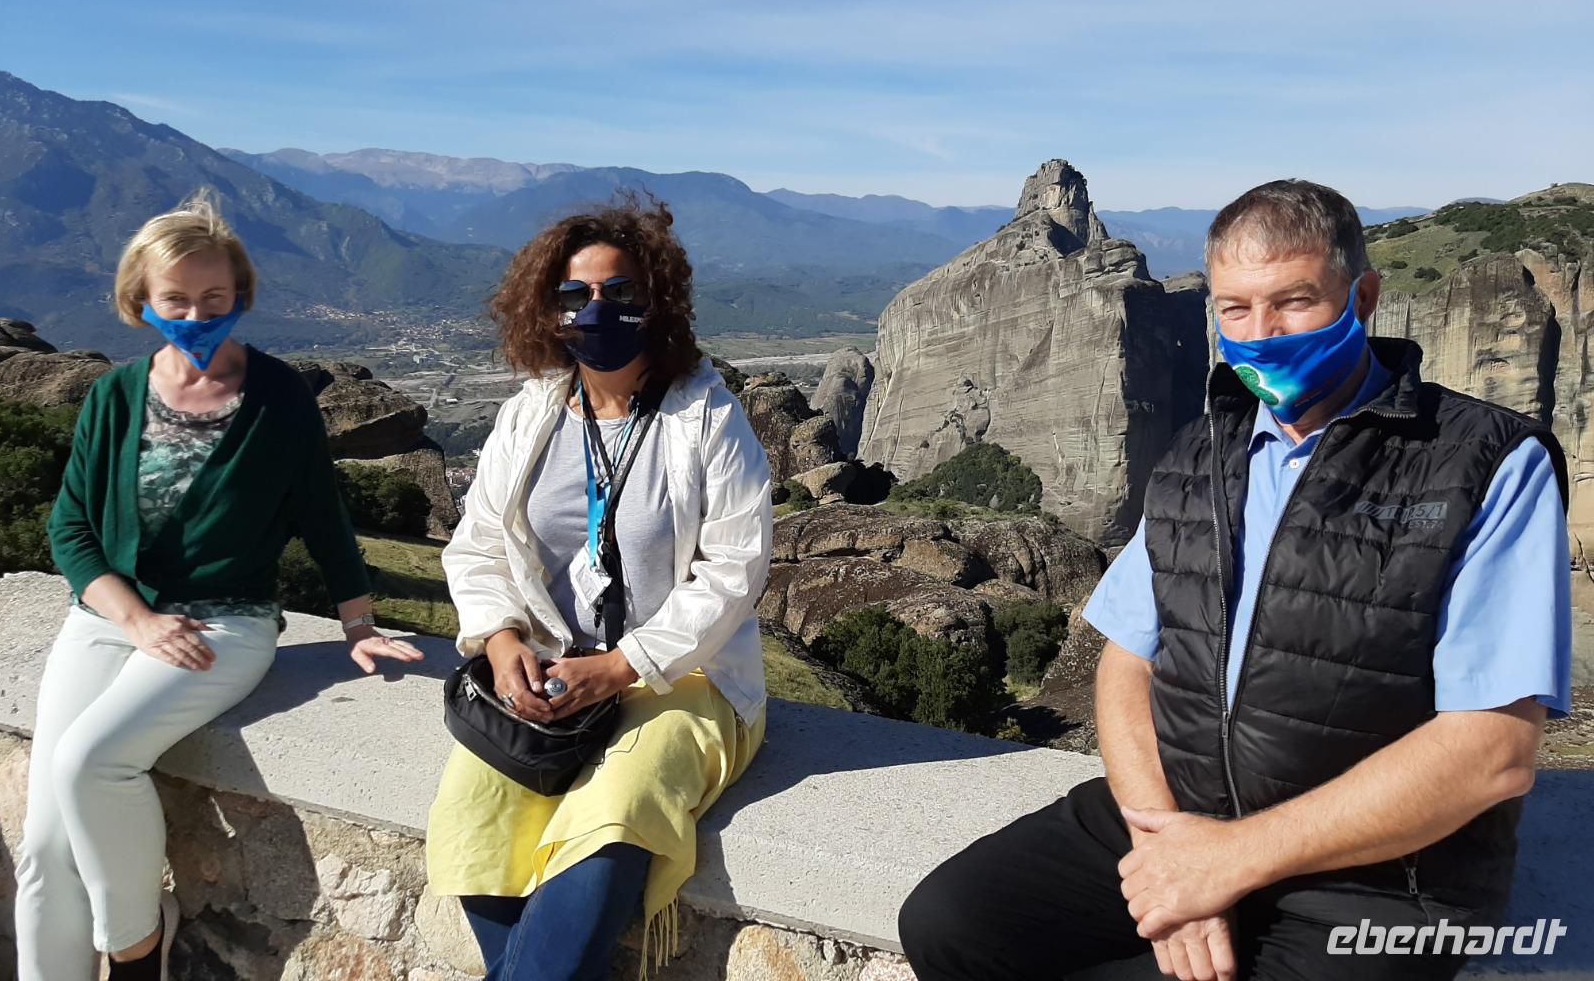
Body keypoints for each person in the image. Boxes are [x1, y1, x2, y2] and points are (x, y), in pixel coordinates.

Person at [898, 179, 1572, 981]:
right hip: (1179, 815)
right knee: (950, 924)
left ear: (1363, 295)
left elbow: (1493, 749)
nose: (1264, 334)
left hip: (1381, 881)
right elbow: (1127, 660)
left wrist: (1231, 860)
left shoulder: (1487, 461)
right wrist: (1164, 839)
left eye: (1294, 302)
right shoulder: (1198, 455)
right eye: (1236, 310)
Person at [15, 190, 422, 981]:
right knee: (42, 846)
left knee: (90, 761)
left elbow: (321, 513)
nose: (196, 313)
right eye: (176, 298)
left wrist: (357, 621)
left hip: (228, 622)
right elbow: (70, 530)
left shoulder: (277, 400)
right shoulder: (114, 395)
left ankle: (134, 951)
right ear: (141, 300)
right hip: (111, 617)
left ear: (240, 296)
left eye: (214, 297)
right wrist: (134, 620)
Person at [425, 193, 773, 981]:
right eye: (573, 295)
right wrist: (501, 636)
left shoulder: (707, 421)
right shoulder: (531, 415)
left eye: (621, 293)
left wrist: (620, 668)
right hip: (545, 676)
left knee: (617, 817)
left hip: (681, 679)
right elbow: (478, 542)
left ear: (658, 303)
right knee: (475, 813)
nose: (596, 309)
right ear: (543, 312)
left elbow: (733, 573)